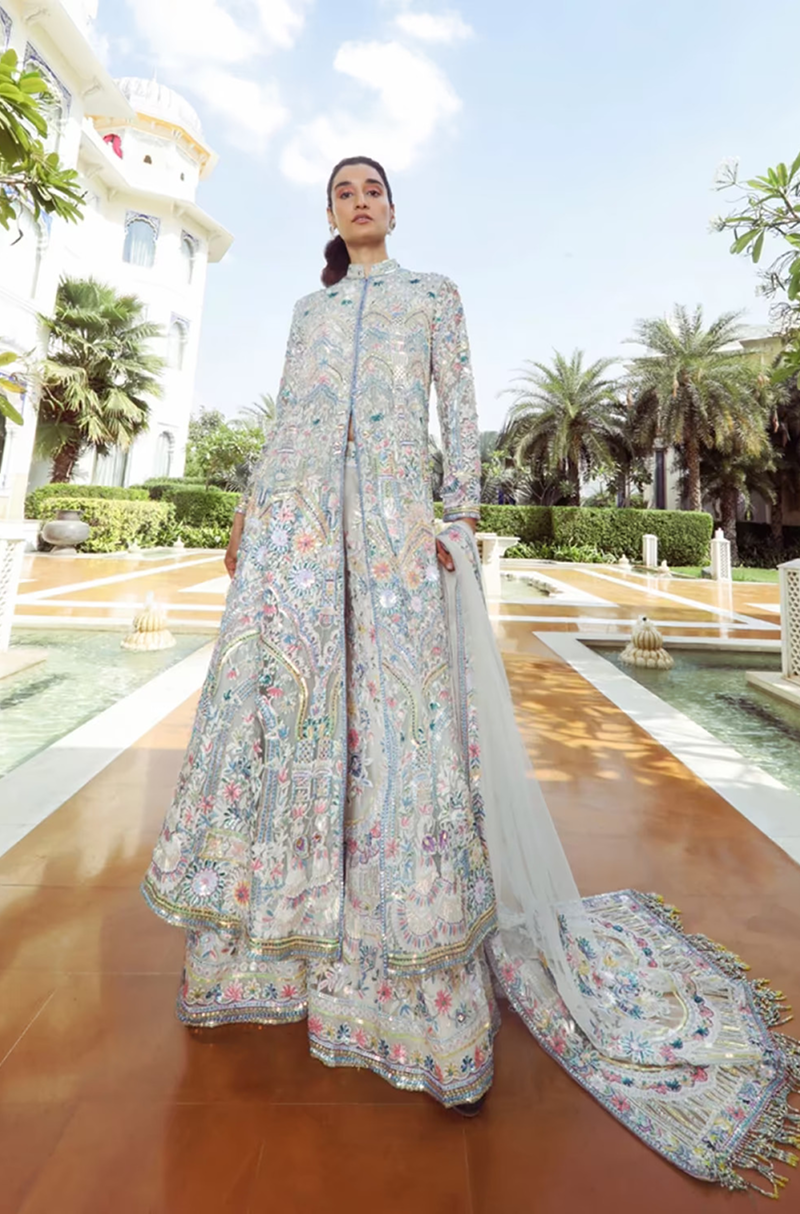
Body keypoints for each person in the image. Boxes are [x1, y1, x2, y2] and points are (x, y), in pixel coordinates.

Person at [143, 157, 799, 1188]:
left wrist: (454, 517)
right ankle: (275, 956)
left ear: (392, 208)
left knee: (400, 730)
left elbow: (461, 407)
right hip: (301, 536)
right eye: (342, 192)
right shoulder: (309, 314)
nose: (358, 200)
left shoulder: (431, 295)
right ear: (329, 215)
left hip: (395, 531)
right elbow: (288, 422)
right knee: (294, 717)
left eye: (371, 188)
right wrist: (249, 511)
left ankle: (410, 979)